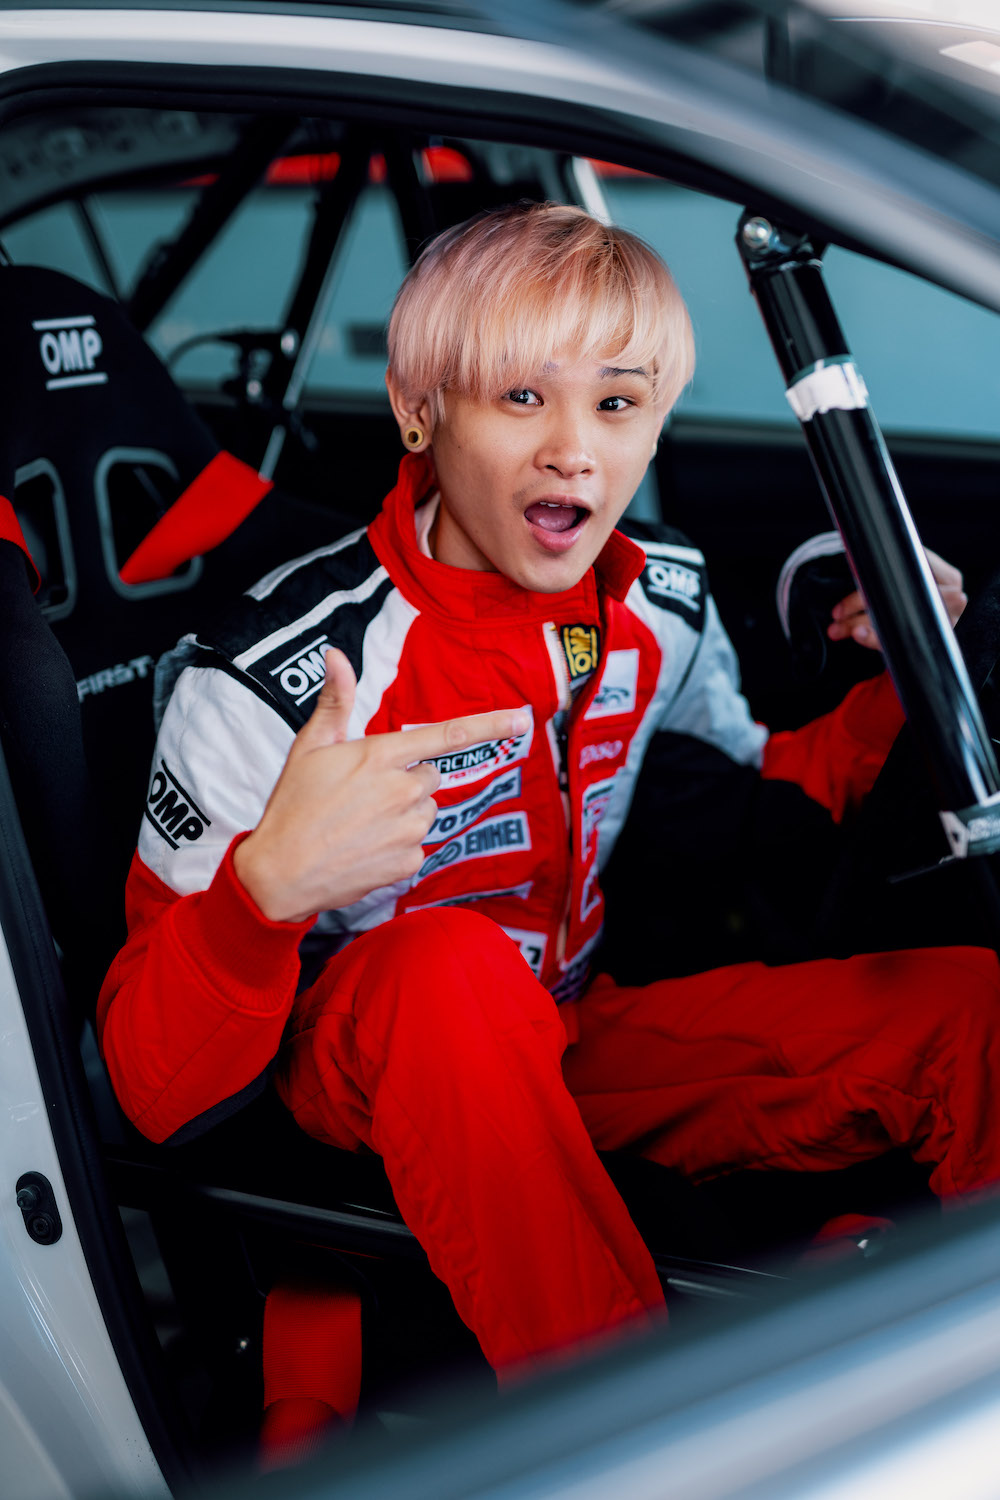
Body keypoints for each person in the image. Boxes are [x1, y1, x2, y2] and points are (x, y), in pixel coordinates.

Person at [98, 203, 997, 1454]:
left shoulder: (659, 602)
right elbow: (144, 1091)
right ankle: (652, 1450)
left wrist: (903, 673)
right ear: (419, 410)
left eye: (617, 403)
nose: (575, 450)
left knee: (972, 1008)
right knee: (447, 970)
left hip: (565, 1027)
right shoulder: (273, 676)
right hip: (345, 1085)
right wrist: (265, 894)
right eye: (522, 397)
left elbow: (764, 793)